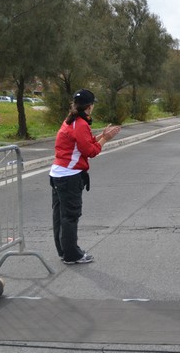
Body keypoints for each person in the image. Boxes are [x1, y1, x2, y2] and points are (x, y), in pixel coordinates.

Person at [49, 89, 120, 264]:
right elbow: (90, 150)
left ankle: (64, 251)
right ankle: (72, 255)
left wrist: (101, 136)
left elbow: (83, 142)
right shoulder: (80, 124)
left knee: (60, 215)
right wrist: (106, 139)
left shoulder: (71, 120)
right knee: (70, 215)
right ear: (90, 107)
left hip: (58, 173)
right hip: (69, 176)